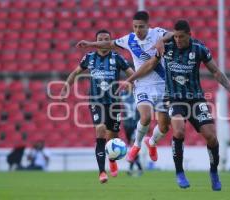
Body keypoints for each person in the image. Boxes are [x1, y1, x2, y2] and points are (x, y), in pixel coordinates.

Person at [119, 20, 230, 190]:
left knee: (211, 136)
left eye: (181, 37)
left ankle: (214, 173)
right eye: (176, 36)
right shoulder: (166, 48)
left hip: (196, 99)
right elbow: (150, 64)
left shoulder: (199, 49)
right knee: (179, 131)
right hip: (174, 98)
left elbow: (216, 71)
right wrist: (129, 79)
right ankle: (179, 173)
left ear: (189, 35)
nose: (178, 40)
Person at [76, 11, 174, 163]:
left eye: (141, 27)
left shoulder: (157, 33)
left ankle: (152, 142)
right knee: (146, 117)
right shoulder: (129, 39)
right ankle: (136, 145)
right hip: (142, 84)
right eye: (135, 26)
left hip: (162, 85)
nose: (137, 30)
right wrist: (90, 44)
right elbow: (109, 44)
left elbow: (173, 34)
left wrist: (162, 40)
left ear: (148, 26)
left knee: (164, 126)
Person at [60, 29, 134, 183]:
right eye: (100, 38)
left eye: (107, 38)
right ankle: (102, 172)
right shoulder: (89, 58)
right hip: (96, 101)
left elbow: (132, 74)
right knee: (100, 130)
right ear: (96, 41)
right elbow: (74, 73)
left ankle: (112, 160)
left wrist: (130, 84)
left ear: (110, 40)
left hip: (114, 103)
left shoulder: (118, 58)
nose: (103, 41)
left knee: (112, 137)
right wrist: (65, 88)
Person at [121, 89, 143, 176]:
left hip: (135, 125)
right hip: (126, 125)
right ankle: (139, 168)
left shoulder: (138, 94)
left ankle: (131, 168)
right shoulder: (123, 94)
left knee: (133, 145)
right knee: (131, 146)